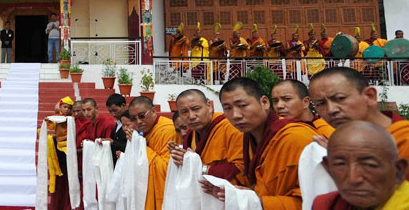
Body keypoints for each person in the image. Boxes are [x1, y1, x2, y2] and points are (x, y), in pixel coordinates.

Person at [201, 78, 318, 208]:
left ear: (264, 102)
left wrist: (255, 200)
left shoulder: (296, 138)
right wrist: (242, 193)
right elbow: (262, 185)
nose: (235, 115)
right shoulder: (249, 137)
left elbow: (314, 200)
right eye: (227, 108)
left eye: (242, 105)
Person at [309, 67, 409, 179]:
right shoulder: (338, 143)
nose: (331, 110)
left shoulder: (404, 139)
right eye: (321, 103)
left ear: (370, 96)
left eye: (340, 98)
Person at [313, 121, 408, 210]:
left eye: (369, 165)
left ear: (398, 170)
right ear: (328, 168)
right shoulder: (326, 204)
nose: (353, 179)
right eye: (340, 164)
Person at [169, 89, 243, 183]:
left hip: (228, 190)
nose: (191, 116)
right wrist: (180, 158)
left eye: (196, 108)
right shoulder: (190, 135)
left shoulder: (231, 128)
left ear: (209, 106)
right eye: (184, 112)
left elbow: (241, 169)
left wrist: (200, 168)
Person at [127, 96, 177, 209]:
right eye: (133, 119)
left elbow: (166, 169)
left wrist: (140, 146)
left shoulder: (167, 130)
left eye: (142, 116)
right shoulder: (148, 131)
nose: (138, 122)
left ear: (153, 111)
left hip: (164, 194)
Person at [48, 97, 74, 210]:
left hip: (69, 147)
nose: (66, 110)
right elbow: (51, 126)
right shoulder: (57, 118)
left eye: (69, 108)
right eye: (64, 107)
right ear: (60, 107)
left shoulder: (72, 119)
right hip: (59, 147)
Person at [106, 94, 128, 163]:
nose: (113, 114)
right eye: (110, 112)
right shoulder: (118, 123)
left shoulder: (132, 122)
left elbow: (132, 145)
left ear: (123, 105)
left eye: (115, 110)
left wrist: (113, 142)